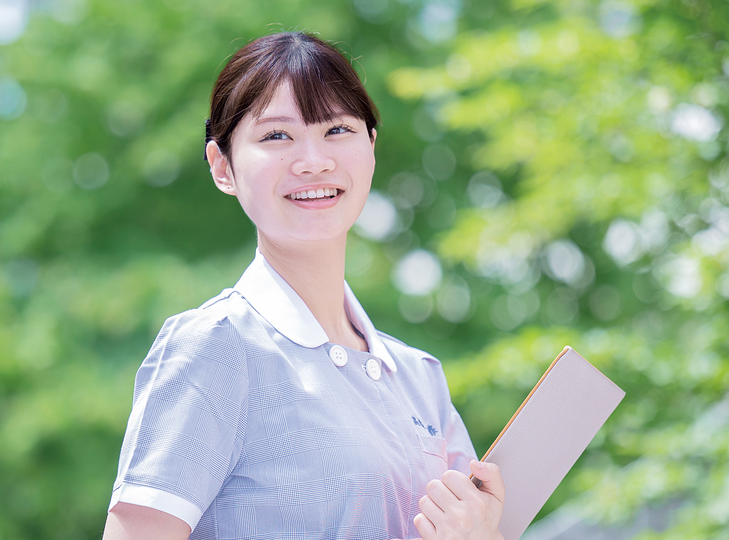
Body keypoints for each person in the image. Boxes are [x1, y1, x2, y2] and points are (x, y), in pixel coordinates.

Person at [102, 31, 505, 540]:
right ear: (222, 166)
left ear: (371, 147)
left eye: (337, 129)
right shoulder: (216, 348)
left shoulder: (419, 378)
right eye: (276, 136)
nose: (313, 160)